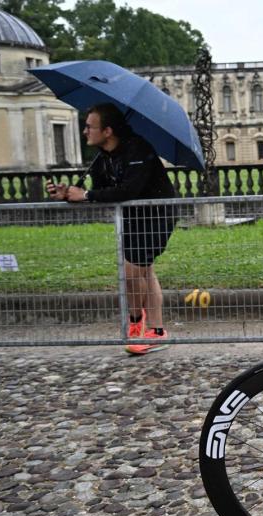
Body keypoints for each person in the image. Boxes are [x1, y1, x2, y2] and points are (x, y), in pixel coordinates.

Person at [47, 103, 175, 355]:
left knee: (132, 272)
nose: (85, 131)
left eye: (89, 127)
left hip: (157, 215)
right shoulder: (101, 157)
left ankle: (138, 323)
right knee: (144, 271)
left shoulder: (137, 149)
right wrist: (69, 194)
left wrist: (86, 194)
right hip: (132, 217)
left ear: (107, 131)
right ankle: (156, 331)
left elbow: (129, 190)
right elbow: (101, 191)